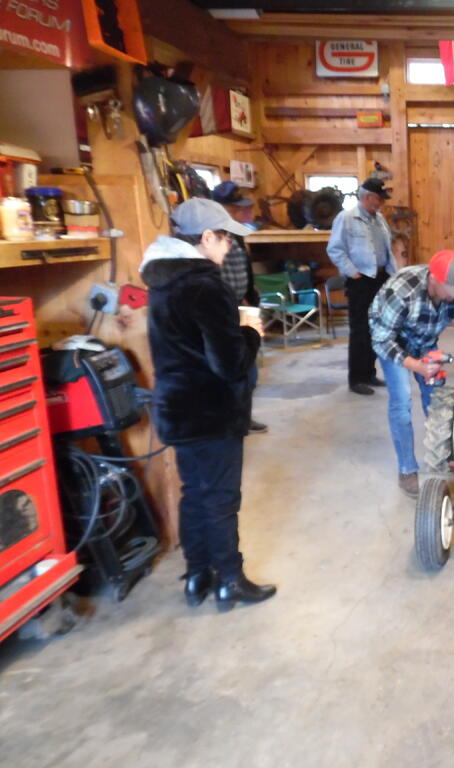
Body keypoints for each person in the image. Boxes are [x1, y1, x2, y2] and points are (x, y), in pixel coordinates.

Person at [140, 197, 276, 612]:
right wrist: (251, 332)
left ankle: (198, 575)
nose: (231, 246)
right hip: (211, 412)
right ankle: (230, 581)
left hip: (177, 409)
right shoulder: (206, 286)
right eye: (226, 238)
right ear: (206, 237)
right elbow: (230, 364)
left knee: (195, 494)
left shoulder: (161, 280)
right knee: (221, 499)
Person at [370, 250, 454, 497]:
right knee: (401, 402)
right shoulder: (401, 291)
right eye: (450, 290)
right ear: (434, 280)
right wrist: (416, 365)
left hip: (425, 339)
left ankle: (446, 458)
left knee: (438, 398)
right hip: (393, 341)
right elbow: (381, 340)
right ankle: (407, 469)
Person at [327, 177, 397, 396]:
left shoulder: (379, 219)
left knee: (377, 328)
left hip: (380, 278)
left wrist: (392, 275)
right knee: (360, 330)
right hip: (360, 280)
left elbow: (386, 250)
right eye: (379, 199)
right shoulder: (346, 218)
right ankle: (356, 379)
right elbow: (335, 249)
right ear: (368, 197)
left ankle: (369, 373)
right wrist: (352, 273)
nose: (381, 203)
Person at [212, 180, 267, 434]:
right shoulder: (211, 236)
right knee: (233, 368)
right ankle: (233, 420)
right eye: (235, 208)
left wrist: (247, 296)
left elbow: (242, 267)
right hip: (224, 309)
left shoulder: (235, 231)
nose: (241, 212)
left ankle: (243, 417)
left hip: (242, 306)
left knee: (249, 368)